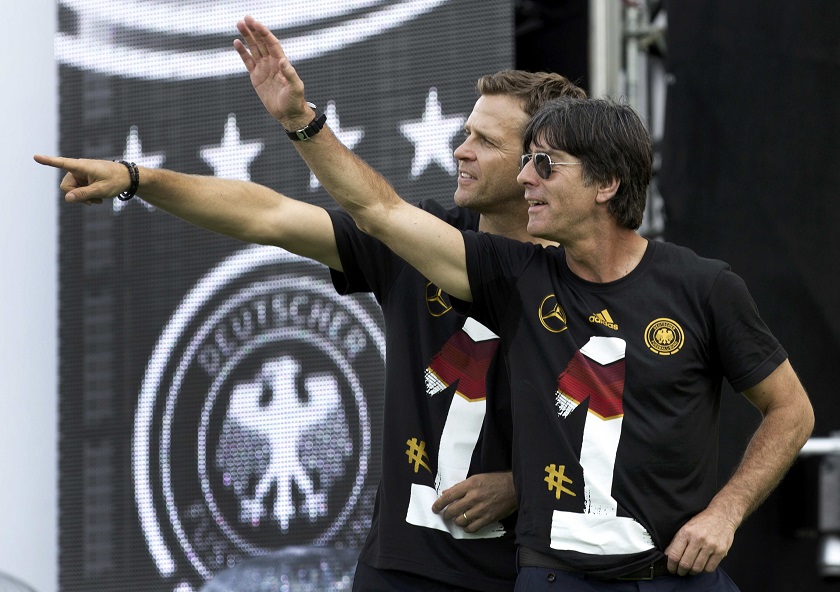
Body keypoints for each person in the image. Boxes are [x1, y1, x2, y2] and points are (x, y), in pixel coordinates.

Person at [228, 16, 816, 590]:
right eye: (524, 159)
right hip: (544, 573)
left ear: (605, 183)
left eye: (544, 164)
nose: (526, 175)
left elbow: (791, 409)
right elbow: (374, 212)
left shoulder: (701, 285)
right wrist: (298, 122)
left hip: (678, 577)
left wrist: (726, 511)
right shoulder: (515, 274)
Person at [34, 36, 587, 592]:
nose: (460, 150)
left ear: (536, 167)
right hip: (400, 569)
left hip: (532, 572)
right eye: (465, 132)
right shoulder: (415, 238)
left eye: (484, 141)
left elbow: (645, 429)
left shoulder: (591, 279)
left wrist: (525, 483)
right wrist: (137, 179)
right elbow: (268, 215)